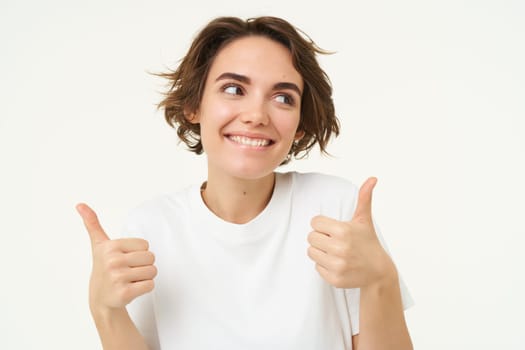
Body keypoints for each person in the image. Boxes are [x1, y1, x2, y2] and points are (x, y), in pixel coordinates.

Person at [77, 16, 414, 350]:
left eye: (283, 97)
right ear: (195, 105)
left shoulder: (335, 208)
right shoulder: (152, 228)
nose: (256, 115)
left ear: (299, 124)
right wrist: (105, 310)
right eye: (234, 89)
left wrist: (380, 279)